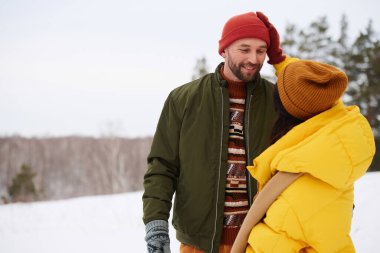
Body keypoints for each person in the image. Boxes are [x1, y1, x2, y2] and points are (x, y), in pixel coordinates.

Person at [230, 13, 376, 253]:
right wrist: (279, 59)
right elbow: (315, 94)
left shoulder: (299, 184)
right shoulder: (336, 140)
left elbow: (273, 245)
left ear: (287, 114)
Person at [143, 12, 282, 253]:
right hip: (199, 244)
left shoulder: (279, 102)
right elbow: (162, 166)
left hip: (263, 242)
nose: (253, 58)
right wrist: (156, 225)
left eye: (261, 50)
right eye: (244, 49)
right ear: (224, 50)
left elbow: (305, 161)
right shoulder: (184, 99)